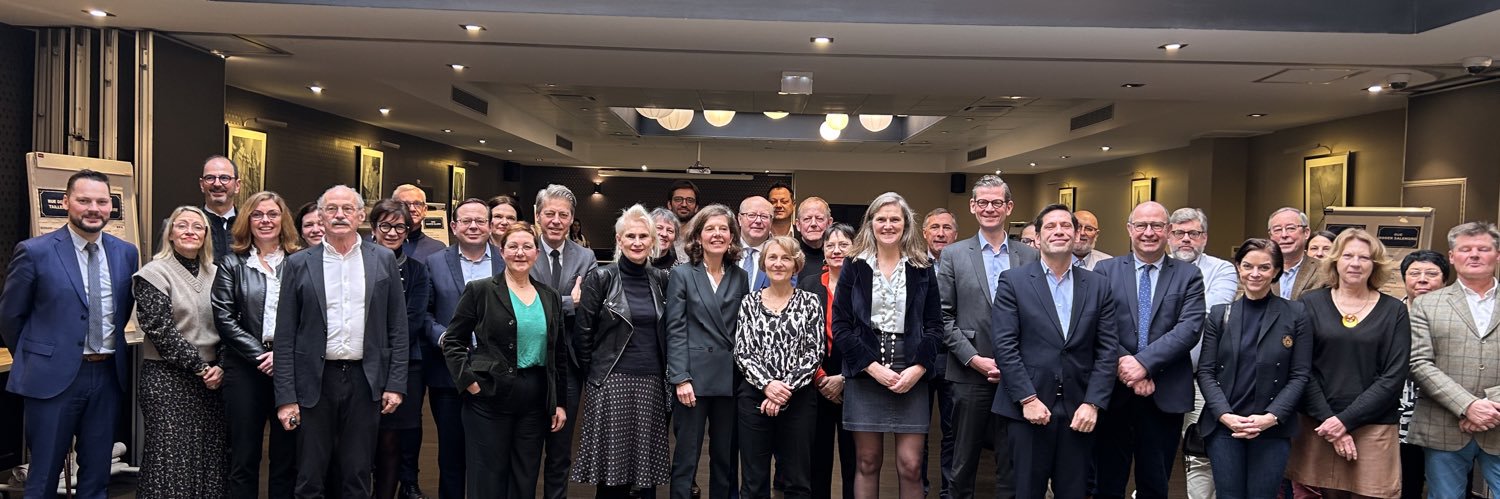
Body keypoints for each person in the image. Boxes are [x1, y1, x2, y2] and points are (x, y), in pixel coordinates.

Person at [0, 170, 140, 498]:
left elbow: (122, 308)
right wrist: (41, 356)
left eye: (102, 201)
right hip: (52, 379)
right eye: (84, 200)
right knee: (44, 476)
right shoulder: (35, 251)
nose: (94, 208)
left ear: (111, 206)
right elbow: (10, 316)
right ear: (65, 202)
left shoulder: (126, 252)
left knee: (97, 475)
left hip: (106, 376)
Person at [273, 185, 410, 498]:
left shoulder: (383, 259)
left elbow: (398, 328)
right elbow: (285, 335)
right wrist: (286, 397)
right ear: (321, 216)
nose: (339, 215)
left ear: (360, 216)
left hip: (365, 380)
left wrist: (395, 384)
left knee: (357, 475)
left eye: (347, 209)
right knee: (309, 476)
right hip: (314, 381)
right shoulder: (299, 263)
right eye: (331, 209)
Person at [990, 203, 1119, 499]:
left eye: (1065, 226)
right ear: (1037, 238)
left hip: (1080, 410)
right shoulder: (1013, 281)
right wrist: (1028, 398)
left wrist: (1093, 403)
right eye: (1050, 226)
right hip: (1027, 409)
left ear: (1076, 234)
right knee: (1025, 492)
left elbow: (1107, 349)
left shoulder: (1098, 285)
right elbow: (1005, 346)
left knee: (1075, 492)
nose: (1059, 231)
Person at [443, 221, 568, 498]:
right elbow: (453, 341)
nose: (520, 253)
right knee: (488, 476)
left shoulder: (550, 296)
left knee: (525, 476)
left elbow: (558, 353)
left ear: (537, 253)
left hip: (534, 398)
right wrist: (469, 382)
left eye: (527, 247)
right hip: (489, 395)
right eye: (513, 246)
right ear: (502, 252)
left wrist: (559, 402)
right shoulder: (480, 290)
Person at [1091, 202, 1206, 499]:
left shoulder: (1188, 275)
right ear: (1129, 229)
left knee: (1155, 484)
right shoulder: (1105, 271)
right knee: (1106, 483)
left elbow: (1189, 328)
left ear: (1168, 231)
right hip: (1113, 392)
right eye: (1141, 225)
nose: (1149, 232)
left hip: (1164, 393)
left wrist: (1144, 365)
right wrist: (1126, 366)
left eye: (1156, 225)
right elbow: (1097, 326)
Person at [832, 192, 943, 499]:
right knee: (867, 461)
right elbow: (841, 326)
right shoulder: (854, 264)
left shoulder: (922, 266)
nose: (888, 225)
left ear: (906, 223)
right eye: (881, 219)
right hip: (866, 372)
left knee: (911, 465)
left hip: (912, 372)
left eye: (895, 219)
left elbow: (935, 326)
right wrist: (872, 368)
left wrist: (918, 369)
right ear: (871, 223)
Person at [1285, 229, 1409, 499]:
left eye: (1364, 257)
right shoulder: (1310, 303)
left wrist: (1344, 421)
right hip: (1320, 422)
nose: (1355, 263)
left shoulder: (1394, 310)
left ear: (1375, 264)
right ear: (1335, 261)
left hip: (1373, 425)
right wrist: (1331, 422)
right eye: (1347, 256)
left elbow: (1394, 375)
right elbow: (1302, 368)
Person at [939, 175, 1038, 499]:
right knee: (962, 462)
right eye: (982, 202)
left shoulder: (1029, 256)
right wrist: (974, 359)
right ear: (972, 206)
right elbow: (943, 317)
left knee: (1012, 462)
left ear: (1009, 207)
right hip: (969, 373)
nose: (989, 208)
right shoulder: (953, 254)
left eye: (997, 202)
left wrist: (1014, 363)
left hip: (1018, 376)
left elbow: (1038, 317)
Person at [1195, 238, 1313, 499]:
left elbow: (1299, 375)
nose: (1255, 274)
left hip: (1272, 428)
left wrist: (1271, 417)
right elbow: (1206, 371)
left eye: (1264, 267)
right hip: (1226, 427)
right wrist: (1225, 415)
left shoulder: (1296, 314)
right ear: (1238, 267)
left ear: (1276, 271)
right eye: (1248, 266)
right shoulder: (1219, 314)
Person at [573, 205, 673, 498]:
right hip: (611, 382)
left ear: (652, 241)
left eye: (643, 236)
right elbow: (583, 333)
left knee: (645, 471)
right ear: (619, 239)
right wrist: (595, 377)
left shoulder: (661, 279)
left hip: (651, 382)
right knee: (612, 472)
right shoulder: (601, 278)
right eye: (630, 236)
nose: (637, 242)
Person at [132, 206, 228, 497]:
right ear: (170, 234)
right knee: (170, 459)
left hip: (213, 382)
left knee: (209, 457)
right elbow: (160, 329)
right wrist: (201, 368)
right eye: (182, 225)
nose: (190, 231)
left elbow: (230, 323)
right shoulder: (153, 273)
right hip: (167, 379)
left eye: (197, 227)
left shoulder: (217, 273)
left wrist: (221, 365)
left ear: (206, 235)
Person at [213, 191, 302, 499]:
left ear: (283, 220)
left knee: (286, 457)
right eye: (257, 214)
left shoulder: (300, 261)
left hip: (290, 370)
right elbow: (224, 318)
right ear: (247, 220)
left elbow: (312, 317)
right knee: (244, 457)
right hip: (244, 369)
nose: (265, 220)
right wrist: (262, 355)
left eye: (272, 214)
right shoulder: (232, 263)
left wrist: (283, 356)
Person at [1408, 222, 1500, 499]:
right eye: (1465, 249)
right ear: (1451, 256)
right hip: (1444, 425)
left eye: (1483, 249)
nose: (1474, 255)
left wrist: (1491, 406)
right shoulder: (1427, 304)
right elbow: (1418, 362)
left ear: (1497, 254)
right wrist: (1467, 406)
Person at [666, 204, 751, 499]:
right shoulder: (682, 274)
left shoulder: (740, 276)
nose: (717, 234)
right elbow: (675, 329)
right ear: (698, 236)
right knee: (686, 457)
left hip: (729, 378)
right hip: (692, 380)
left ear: (732, 236)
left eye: (723, 229)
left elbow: (743, 329)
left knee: (725, 457)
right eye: (710, 229)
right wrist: (680, 377)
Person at [424, 198, 504, 499]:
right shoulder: (434, 262)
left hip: (496, 373)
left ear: (490, 226)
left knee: (492, 454)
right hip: (448, 374)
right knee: (451, 454)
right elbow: (424, 313)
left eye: (480, 221)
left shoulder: (505, 260)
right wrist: (444, 338)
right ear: (453, 226)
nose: (473, 226)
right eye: (466, 221)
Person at [736, 235, 825, 499]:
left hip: (798, 399)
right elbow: (743, 352)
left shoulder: (810, 302)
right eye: (772, 257)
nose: (778, 263)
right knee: (753, 482)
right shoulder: (749, 302)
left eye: (786, 258)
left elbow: (814, 352)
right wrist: (768, 385)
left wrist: (783, 389)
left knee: (797, 481)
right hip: (754, 398)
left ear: (796, 265)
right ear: (763, 263)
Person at [1168, 207, 1240, 499]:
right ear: (1169, 236)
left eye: (1193, 233)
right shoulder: (1153, 269)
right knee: (1152, 449)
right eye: (1179, 233)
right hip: (1155, 377)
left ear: (1205, 237)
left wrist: (1166, 312)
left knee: (1198, 451)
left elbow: (1211, 314)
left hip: (1199, 378)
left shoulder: (1222, 270)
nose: (1186, 239)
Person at [531, 184, 598, 499]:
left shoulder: (585, 257)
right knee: (528, 445)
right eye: (549, 214)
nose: (556, 221)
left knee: (560, 449)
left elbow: (591, 306)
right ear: (537, 216)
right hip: (528, 361)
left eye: (563, 215)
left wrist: (559, 304)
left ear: (572, 219)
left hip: (568, 364)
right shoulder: (522, 249)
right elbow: (524, 305)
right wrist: (569, 303)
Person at [368, 199, 436, 499]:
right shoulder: (357, 264)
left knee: (394, 436)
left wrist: (381, 349)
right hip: (361, 362)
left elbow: (413, 318)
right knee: (361, 436)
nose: (392, 232)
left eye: (400, 227)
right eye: (385, 225)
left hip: (405, 363)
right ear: (373, 228)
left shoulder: (418, 271)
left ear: (408, 231)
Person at [800, 223, 858, 499]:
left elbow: (871, 336)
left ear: (855, 248)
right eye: (830, 245)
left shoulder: (865, 284)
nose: (836, 251)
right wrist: (820, 377)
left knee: (854, 458)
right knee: (817, 457)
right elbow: (800, 337)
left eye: (843, 245)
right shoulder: (809, 284)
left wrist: (845, 378)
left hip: (855, 378)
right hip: (816, 379)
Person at [1394, 249, 1450, 499]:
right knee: (1405, 484)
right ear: (1404, 279)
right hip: (1397, 416)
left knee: (1447, 485)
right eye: (1414, 273)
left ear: (1445, 280)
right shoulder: (1389, 313)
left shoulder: (1456, 316)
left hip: (1445, 416)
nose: (1422, 280)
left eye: (1431, 274)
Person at [921, 205, 960, 499]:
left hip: (954, 358)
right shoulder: (912, 263)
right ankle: (918, 488)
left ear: (955, 234)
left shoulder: (963, 263)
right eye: (935, 227)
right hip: (920, 359)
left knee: (953, 430)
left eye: (947, 228)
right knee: (917, 430)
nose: (941, 233)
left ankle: (950, 490)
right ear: (924, 233)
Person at [1268, 207, 1325, 300]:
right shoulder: (1258, 269)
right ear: (1270, 236)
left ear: (1306, 232)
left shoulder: (1324, 270)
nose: (1284, 235)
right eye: (1277, 230)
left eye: (1291, 228)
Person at [393, 184, 447, 265]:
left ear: (425, 210)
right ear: (393, 208)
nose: (412, 209)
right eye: (405, 204)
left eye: (417, 204)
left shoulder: (438, 249)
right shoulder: (379, 245)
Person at [200, 155, 242, 259]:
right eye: (210, 178)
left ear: (237, 185)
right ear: (202, 185)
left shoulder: (249, 226)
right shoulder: (182, 228)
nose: (217, 184)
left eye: (224, 178)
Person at [738, 196, 775, 289]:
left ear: (771, 222)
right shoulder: (725, 251)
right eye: (751, 215)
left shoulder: (781, 255)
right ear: (739, 219)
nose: (758, 221)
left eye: (764, 216)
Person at [795, 197, 832, 282]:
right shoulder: (790, 255)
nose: (813, 224)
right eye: (807, 219)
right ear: (798, 225)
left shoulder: (837, 256)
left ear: (829, 223)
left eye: (819, 219)